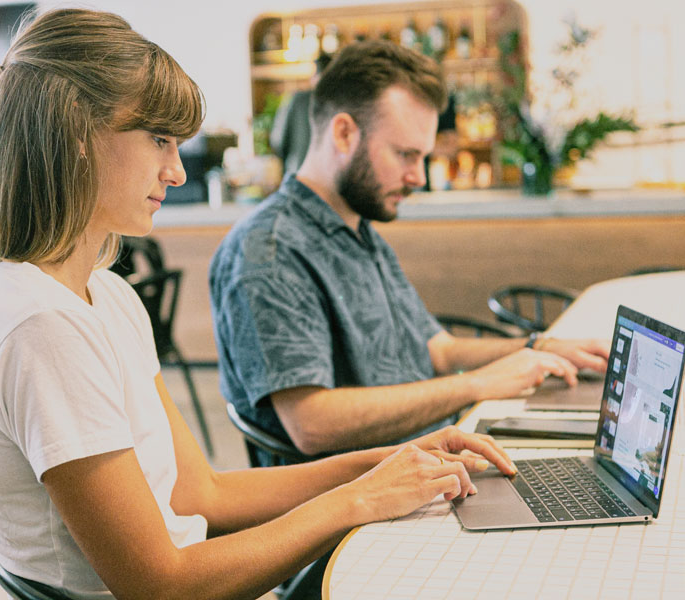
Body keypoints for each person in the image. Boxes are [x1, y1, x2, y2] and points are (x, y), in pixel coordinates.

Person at [0, 9, 517, 600]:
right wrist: (361, 498)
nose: (174, 170)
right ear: (75, 134)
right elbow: (159, 585)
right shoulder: (41, 325)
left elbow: (204, 496)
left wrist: (391, 460)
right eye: (159, 140)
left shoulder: (104, 295)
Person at [209, 40, 610, 466]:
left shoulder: (358, 228)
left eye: (423, 157)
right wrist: (475, 385)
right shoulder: (269, 250)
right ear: (343, 132)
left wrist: (538, 348)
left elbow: (437, 350)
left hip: (428, 458)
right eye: (405, 154)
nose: (418, 177)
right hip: (356, 501)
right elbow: (312, 424)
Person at [269, 53, 332, 175]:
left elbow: (278, 140)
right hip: (330, 180)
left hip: (298, 174)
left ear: (314, 77)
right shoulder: (340, 102)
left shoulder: (297, 100)